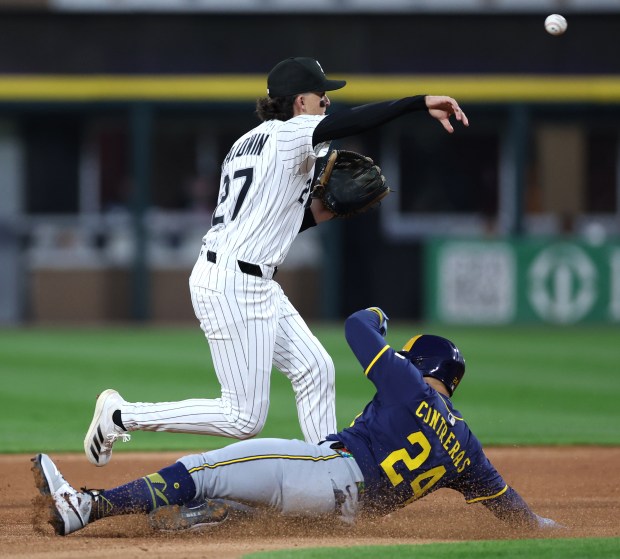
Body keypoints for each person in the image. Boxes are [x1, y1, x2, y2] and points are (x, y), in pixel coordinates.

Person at [83, 56, 470, 467]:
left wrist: (324, 212)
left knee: (316, 369)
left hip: (249, 276)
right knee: (243, 418)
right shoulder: (292, 133)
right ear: (300, 102)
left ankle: (332, 475)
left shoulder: (245, 143)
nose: (327, 104)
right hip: (233, 284)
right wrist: (418, 102)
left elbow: (270, 221)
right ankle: (121, 415)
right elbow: (355, 122)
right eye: (322, 96)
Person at [38, 307, 563, 535]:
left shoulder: (407, 384)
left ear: (419, 364)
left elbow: (356, 328)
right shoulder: (465, 444)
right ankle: (187, 519)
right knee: (232, 504)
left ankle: (86, 506)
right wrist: (549, 531)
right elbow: (516, 515)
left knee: (206, 468)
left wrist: (379, 318)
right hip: (345, 517)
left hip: (326, 473)